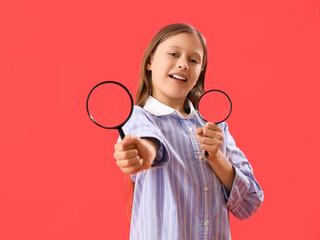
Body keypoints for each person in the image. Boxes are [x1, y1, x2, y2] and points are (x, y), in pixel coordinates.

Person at [113, 23, 263, 240]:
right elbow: (148, 145)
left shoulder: (216, 127)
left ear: (200, 70)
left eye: (194, 60)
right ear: (149, 62)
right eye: (173, 54)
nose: (183, 64)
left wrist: (216, 157)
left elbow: (250, 201)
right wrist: (142, 153)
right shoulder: (138, 117)